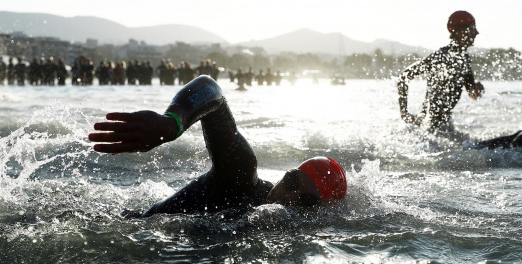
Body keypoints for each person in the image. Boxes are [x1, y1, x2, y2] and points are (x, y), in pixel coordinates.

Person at [89, 75, 348, 217]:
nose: (288, 197)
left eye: (306, 203)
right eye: (291, 182)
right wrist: (173, 123)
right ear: (285, 174)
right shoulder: (241, 178)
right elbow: (211, 89)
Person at [397, 10, 485, 133]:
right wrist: (404, 113)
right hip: (428, 127)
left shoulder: (464, 58)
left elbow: (471, 92)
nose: (476, 33)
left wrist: (476, 89)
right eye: (472, 28)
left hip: (445, 125)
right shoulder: (441, 56)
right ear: (460, 32)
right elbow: (403, 76)